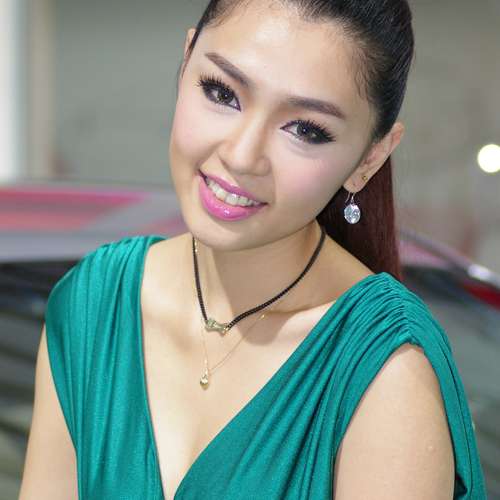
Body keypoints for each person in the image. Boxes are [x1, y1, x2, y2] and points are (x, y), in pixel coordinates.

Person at [19, 0, 487, 499]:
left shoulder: (387, 370)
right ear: (186, 61)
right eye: (222, 92)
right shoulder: (93, 303)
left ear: (369, 159)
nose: (242, 156)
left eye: (305, 129)